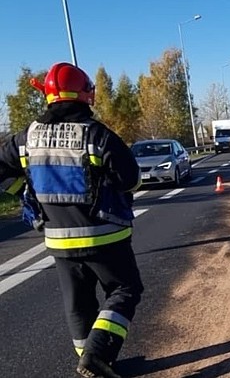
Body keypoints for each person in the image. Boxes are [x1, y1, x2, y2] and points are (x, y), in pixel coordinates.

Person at [0, 62, 143, 378]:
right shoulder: (96, 135)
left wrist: (27, 189)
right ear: (84, 94)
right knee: (124, 289)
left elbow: (3, 173)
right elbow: (131, 180)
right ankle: (97, 355)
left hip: (58, 240)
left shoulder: (25, 139)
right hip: (104, 235)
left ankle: (93, 364)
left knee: (78, 305)